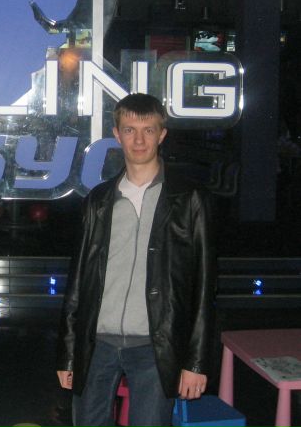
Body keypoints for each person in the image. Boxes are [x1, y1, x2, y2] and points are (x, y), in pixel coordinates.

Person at [56, 93, 216, 427]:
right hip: (96, 343)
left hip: (155, 345)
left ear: (162, 134)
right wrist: (68, 354)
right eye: (130, 130)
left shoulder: (189, 199)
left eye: (148, 130)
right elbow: (78, 280)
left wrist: (195, 362)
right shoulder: (99, 200)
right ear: (117, 134)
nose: (139, 140)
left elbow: (204, 285)